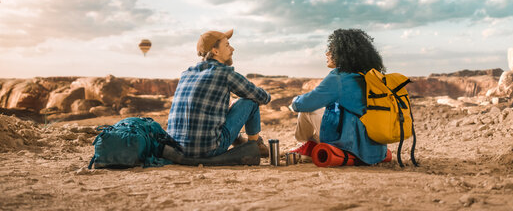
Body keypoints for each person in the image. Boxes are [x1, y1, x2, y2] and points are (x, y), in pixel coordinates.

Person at [288, 29, 391, 165]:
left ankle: (309, 144)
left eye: (331, 50)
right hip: (375, 144)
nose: (327, 54)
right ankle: (311, 145)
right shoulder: (370, 74)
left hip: (352, 143)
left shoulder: (339, 77)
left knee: (307, 110)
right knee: (327, 108)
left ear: (342, 53)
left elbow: (306, 103)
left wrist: (295, 102)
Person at [166, 29, 271, 159]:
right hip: (208, 150)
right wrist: (265, 94)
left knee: (220, 109)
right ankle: (255, 146)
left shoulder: (186, 74)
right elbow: (261, 97)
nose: (232, 49)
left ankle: (239, 140)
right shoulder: (224, 73)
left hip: (177, 150)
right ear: (215, 51)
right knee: (250, 101)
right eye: (227, 45)